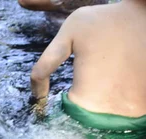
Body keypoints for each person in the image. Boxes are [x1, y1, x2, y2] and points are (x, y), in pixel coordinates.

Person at [30, 0, 146, 131]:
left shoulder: (83, 16)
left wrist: (40, 109)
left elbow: (38, 75)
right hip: (138, 125)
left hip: (80, 117)